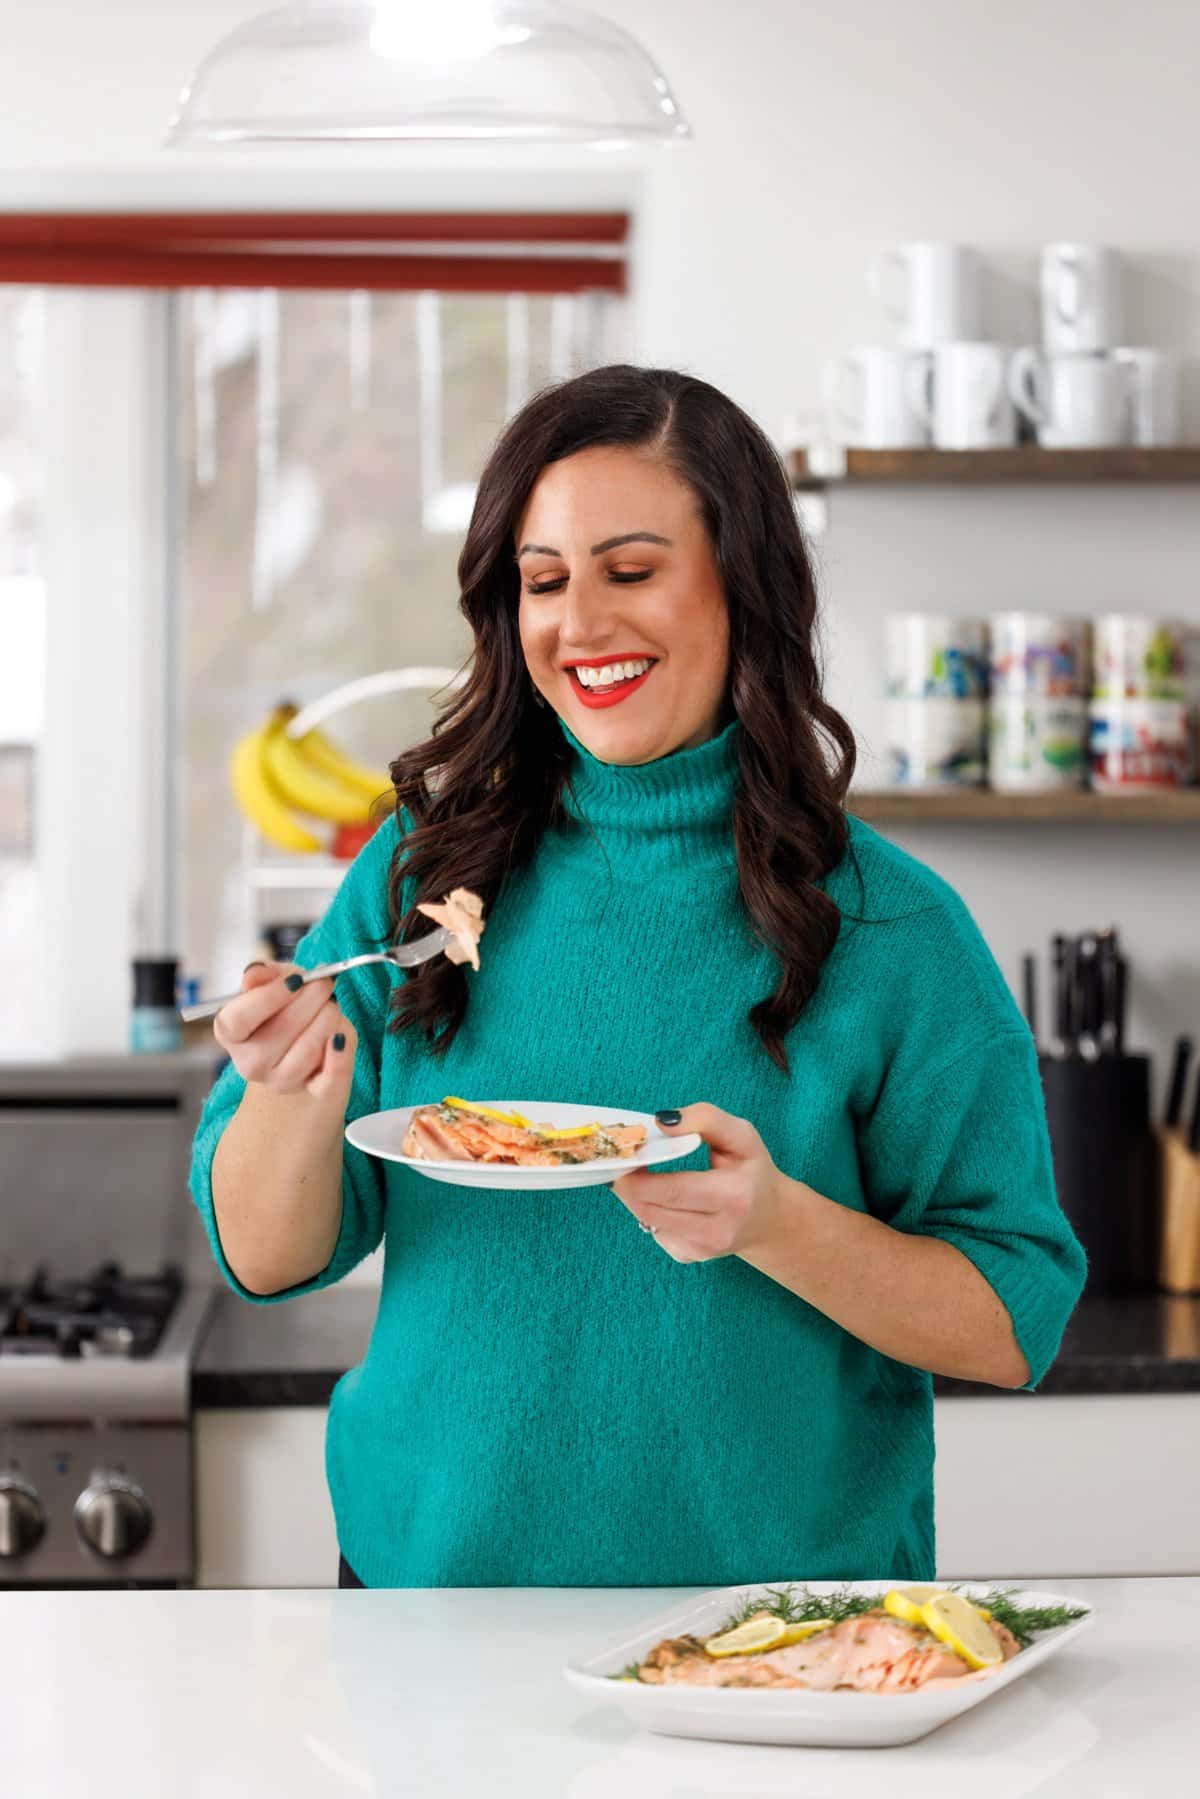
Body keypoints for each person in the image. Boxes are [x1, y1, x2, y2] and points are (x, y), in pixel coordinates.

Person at [190, 364, 1086, 1591]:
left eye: (631, 570)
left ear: (741, 582)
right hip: (425, 1598)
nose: (579, 623)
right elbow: (266, 1253)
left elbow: (1013, 1313)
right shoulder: (420, 876)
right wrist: (292, 1085)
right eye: (544, 580)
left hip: (775, 1629)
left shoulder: (889, 925)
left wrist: (777, 1223)